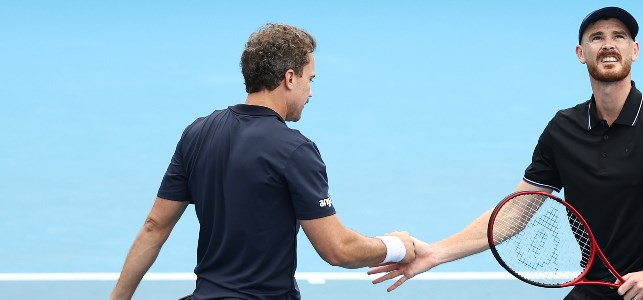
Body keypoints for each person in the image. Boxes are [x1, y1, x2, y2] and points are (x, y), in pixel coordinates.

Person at [369, 7, 643, 300]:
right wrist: (435, 253)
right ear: (582, 54)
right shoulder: (563, 129)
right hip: (594, 288)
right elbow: (514, 212)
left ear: (635, 50)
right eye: (597, 38)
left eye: (619, 36)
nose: (608, 44)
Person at [110, 23, 417, 300]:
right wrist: (397, 246)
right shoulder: (294, 150)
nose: (310, 92)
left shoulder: (198, 132)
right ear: (289, 78)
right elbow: (337, 250)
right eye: (309, 79)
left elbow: (154, 226)